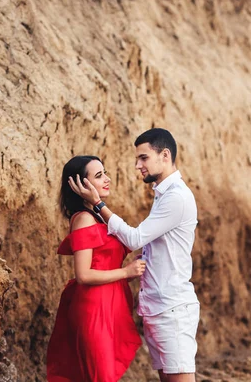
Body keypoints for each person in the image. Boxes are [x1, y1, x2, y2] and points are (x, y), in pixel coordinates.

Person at [69, 128, 200, 382]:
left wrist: (99, 205)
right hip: (158, 308)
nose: (137, 165)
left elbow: (136, 238)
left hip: (172, 309)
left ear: (165, 155)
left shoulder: (177, 197)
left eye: (143, 158)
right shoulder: (162, 194)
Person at [47, 155, 146, 382]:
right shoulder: (84, 219)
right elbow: (83, 275)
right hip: (94, 309)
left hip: (109, 305)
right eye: (99, 175)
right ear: (82, 185)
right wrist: (126, 272)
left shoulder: (98, 218)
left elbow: (105, 266)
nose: (107, 179)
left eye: (105, 173)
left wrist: (132, 272)